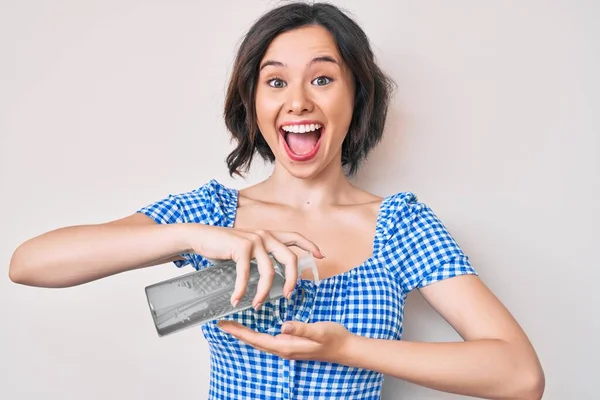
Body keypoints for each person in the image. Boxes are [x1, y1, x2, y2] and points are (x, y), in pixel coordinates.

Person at [8, 2, 545, 399]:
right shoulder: (212, 215)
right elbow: (29, 264)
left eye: (323, 78)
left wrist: (346, 349)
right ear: (253, 101)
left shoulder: (400, 225)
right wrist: (193, 237)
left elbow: (519, 375)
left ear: (356, 97)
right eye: (275, 81)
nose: (298, 101)